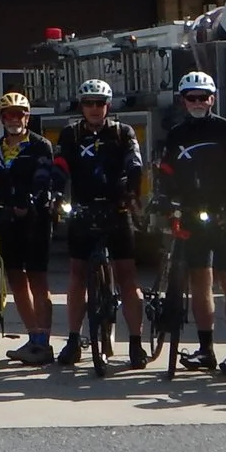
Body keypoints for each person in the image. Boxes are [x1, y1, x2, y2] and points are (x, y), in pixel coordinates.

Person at [155, 70, 226, 375]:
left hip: (224, 214)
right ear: (183, 101)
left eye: (202, 97)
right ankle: (206, 350)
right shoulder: (177, 134)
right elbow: (166, 172)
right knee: (199, 280)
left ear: (212, 99)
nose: (197, 102)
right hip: (192, 213)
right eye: (191, 97)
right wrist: (165, 198)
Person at [54, 79, 145, 368]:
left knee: (127, 277)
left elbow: (134, 162)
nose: (94, 108)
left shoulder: (122, 132)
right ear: (81, 106)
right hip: (83, 210)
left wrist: (133, 188)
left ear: (108, 105)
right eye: (88, 103)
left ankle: (135, 343)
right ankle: (73, 340)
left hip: (117, 209)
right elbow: (60, 167)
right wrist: (54, 192)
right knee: (77, 275)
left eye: (100, 103)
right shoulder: (70, 134)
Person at [0, 91, 59, 364]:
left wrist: (30, 201)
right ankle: (33, 336)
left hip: (35, 218)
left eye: (19, 114)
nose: (14, 119)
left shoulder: (40, 145)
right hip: (8, 219)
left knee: (38, 280)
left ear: (27, 117)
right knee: (15, 278)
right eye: (8, 114)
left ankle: (44, 344)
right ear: (1, 118)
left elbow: (43, 177)